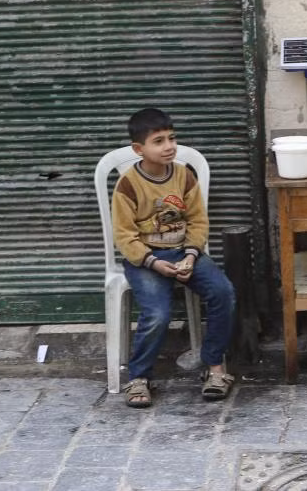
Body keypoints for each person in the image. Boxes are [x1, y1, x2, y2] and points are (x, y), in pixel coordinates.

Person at [112, 108, 236, 407]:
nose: (169, 146)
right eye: (159, 141)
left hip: (184, 252)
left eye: (172, 138)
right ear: (139, 149)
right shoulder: (128, 185)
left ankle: (215, 368)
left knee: (224, 293)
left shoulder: (183, 175)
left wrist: (192, 255)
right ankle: (138, 377)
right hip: (146, 259)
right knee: (158, 313)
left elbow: (197, 221)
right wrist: (153, 262)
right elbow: (125, 236)